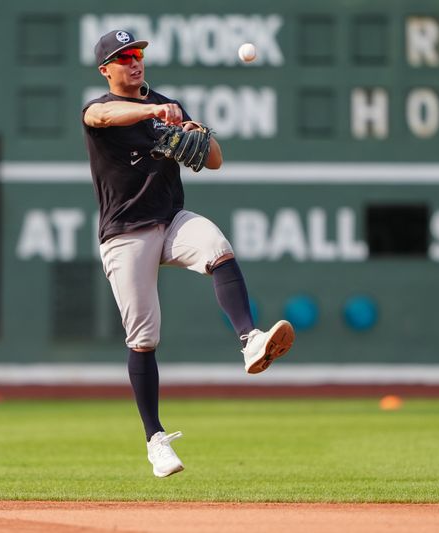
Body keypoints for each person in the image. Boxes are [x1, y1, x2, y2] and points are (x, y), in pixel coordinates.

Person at [81, 30, 295, 478]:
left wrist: (193, 131)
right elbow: (102, 116)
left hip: (170, 219)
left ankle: (249, 340)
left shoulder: (168, 105)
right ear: (106, 69)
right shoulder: (102, 108)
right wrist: (153, 111)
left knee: (216, 245)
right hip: (124, 232)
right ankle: (155, 439)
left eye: (137, 54)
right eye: (123, 58)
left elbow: (214, 159)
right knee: (144, 337)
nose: (134, 62)